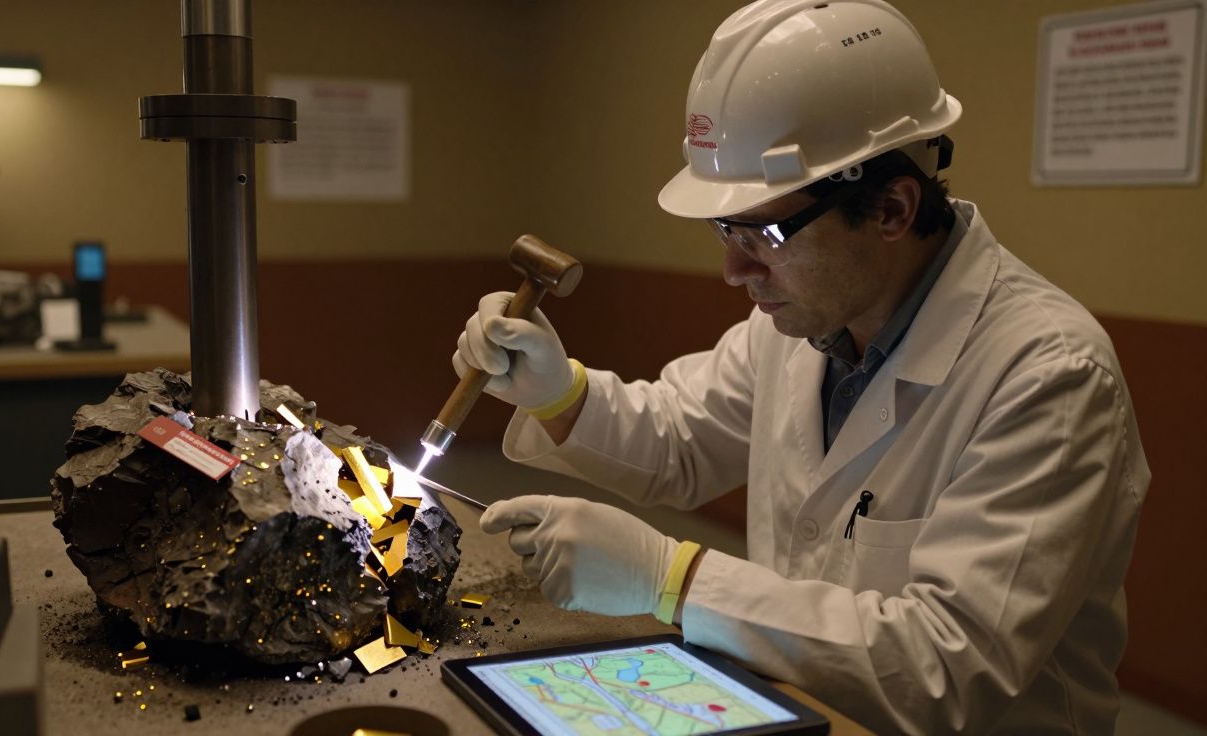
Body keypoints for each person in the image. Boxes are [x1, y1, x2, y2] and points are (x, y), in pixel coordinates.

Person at [454, 0, 1149, 732]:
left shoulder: (1049, 375)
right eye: (725, 229)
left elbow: (947, 667)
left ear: (892, 209)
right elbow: (681, 441)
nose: (733, 269)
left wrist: (673, 580)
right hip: (801, 707)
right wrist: (557, 392)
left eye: (766, 233)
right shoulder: (803, 321)